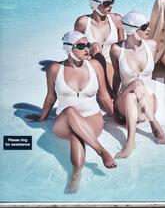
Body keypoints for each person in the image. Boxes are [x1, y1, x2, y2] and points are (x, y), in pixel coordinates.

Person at [27, 31, 117, 194]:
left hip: (92, 118)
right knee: (70, 111)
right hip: (64, 120)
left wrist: (116, 116)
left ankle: (76, 174)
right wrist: (42, 117)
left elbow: (103, 94)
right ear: (69, 48)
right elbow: (51, 96)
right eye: (81, 46)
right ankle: (101, 150)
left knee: (77, 136)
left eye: (88, 45)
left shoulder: (95, 65)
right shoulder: (55, 69)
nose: (87, 49)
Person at [111, 11, 165, 159]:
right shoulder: (117, 50)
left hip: (147, 104)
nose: (149, 29)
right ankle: (152, 126)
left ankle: (131, 143)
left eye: (148, 25)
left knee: (135, 91)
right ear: (131, 29)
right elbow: (117, 76)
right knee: (133, 88)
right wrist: (113, 98)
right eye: (144, 27)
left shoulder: (151, 45)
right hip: (124, 103)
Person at [74, 0, 125, 97]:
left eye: (112, 2)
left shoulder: (117, 20)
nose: (111, 6)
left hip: (112, 64)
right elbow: (76, 51)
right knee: (95, 46)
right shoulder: (82, 23)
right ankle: (107, 91)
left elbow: (123, 49)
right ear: (95, 4)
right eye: (106, 3)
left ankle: (108, 91)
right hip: (91, 65)